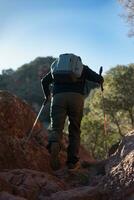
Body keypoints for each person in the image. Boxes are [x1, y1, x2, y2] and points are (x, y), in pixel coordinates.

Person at [41, 53, 104, 171]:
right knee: (74, 129)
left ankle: (54, 144)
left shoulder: (57, 68)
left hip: (58, 98)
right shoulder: (82, 68)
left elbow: (44, 81)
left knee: (56, 128)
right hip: (76, 98)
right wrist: (100, 78)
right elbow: (99, 79)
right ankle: (71, 162)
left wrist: (47, 96)